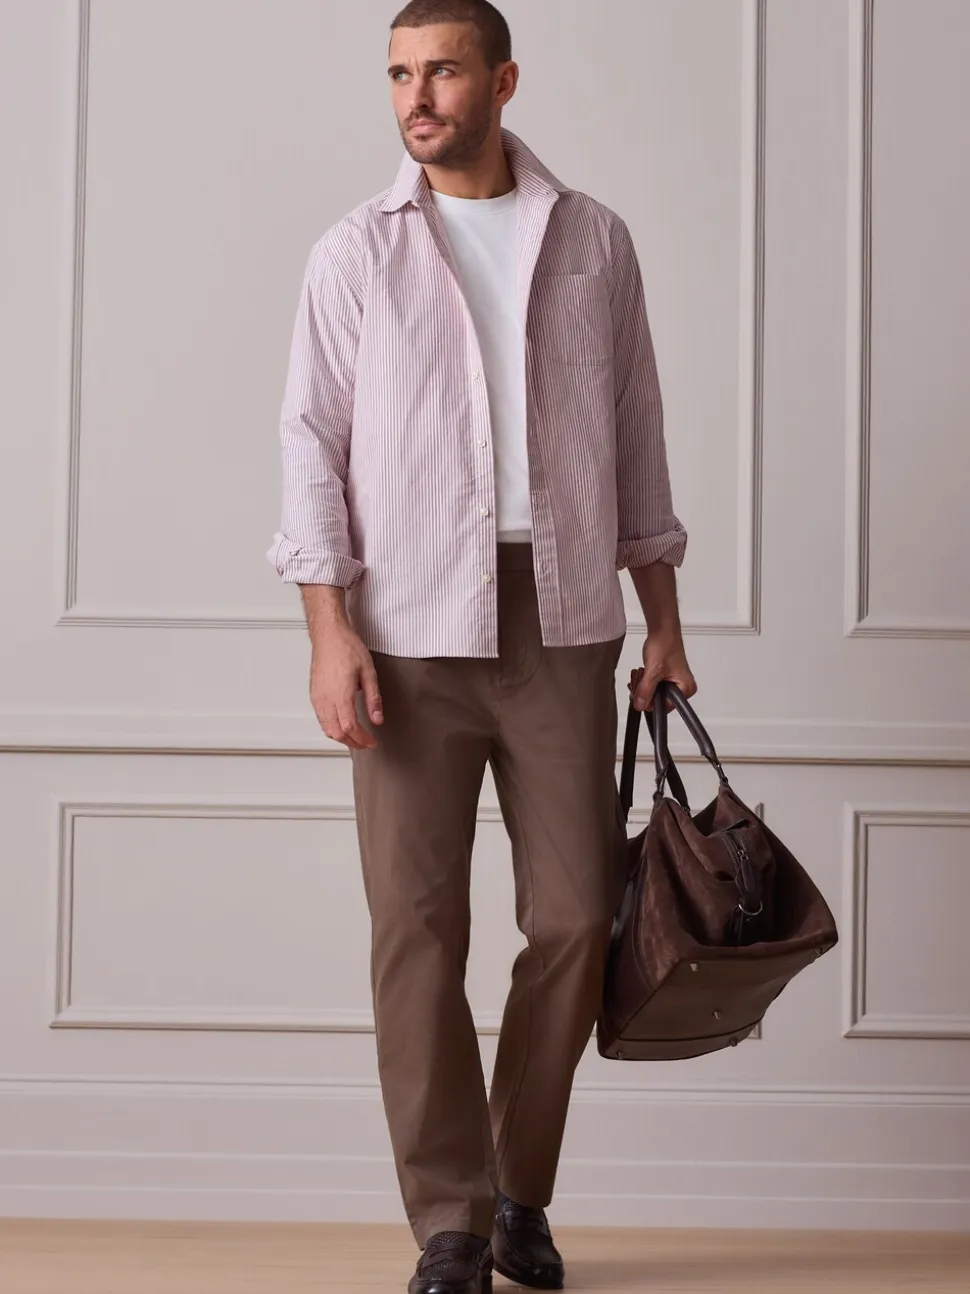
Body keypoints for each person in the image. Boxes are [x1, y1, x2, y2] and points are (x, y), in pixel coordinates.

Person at [268, 1, 696, 1289]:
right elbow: (310, 445)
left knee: (576, 917)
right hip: (402, 631)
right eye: (401, 73)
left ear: (503, 80)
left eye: (444, 69)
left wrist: (664, 619)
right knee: (417, 929)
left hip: (562, 620)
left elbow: (636, 426)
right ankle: (449, 1222)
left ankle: (518, 1188)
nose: (418, 94)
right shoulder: (354, 251)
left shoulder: (593, 240)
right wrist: (329, 630)